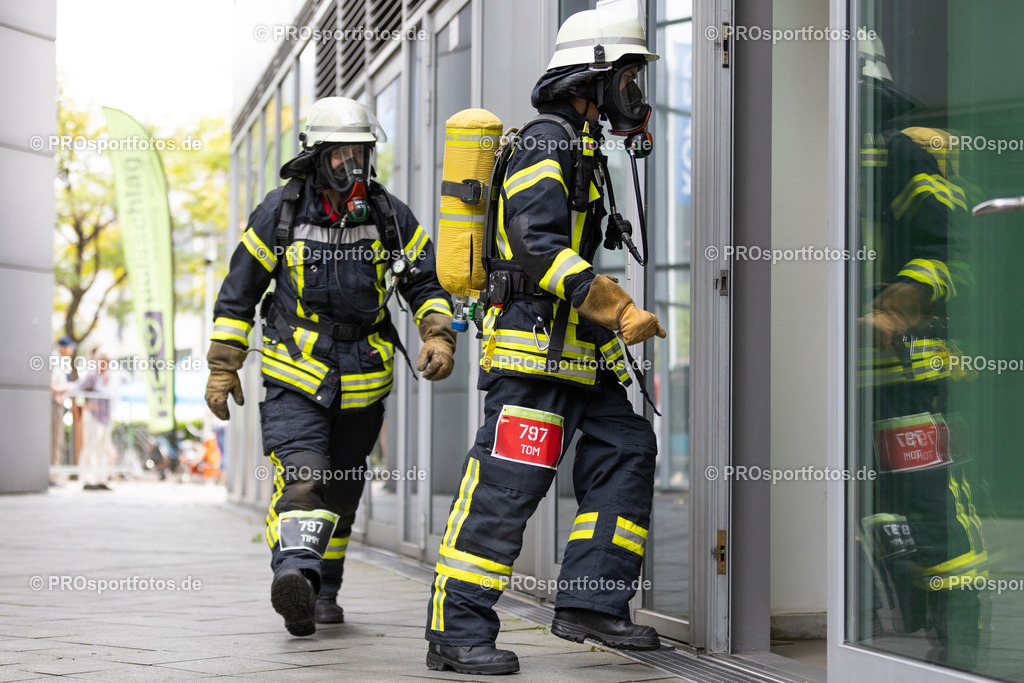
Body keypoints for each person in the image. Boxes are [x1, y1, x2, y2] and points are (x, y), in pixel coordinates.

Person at [424, 9, 665, 675]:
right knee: (506, 488)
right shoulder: (544, 142)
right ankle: (456, 628)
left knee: (627, 445)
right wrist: (618, 309)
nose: (635, 91)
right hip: (532, 356)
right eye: (628, 76)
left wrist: (607, 331)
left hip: (579, 354)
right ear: (593, 76)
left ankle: (590, 600)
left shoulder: (583, 148)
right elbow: (538, 246)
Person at [205, 97, 456, 637]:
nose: (352, 164)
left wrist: (437, 332)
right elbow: (237, 295)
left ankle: (323, 590)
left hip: (364, 381)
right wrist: (223, 367)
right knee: (306, 480)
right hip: (296, 376)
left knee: (341, 491)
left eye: (360, 151)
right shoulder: (280, 212)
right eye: (340, 153)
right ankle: (294, 574)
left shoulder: (389, 214)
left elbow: (424, 282)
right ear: (316, 157)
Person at [855, 36, 986, 668]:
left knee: (931, 503)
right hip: (847, 376)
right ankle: (907, 614)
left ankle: (963, 640)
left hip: (902, 370)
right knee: (872, 504)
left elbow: (949, 251)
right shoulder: (826, 158)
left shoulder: (900, 151)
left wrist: (895, 308)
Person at [74, 350, 118, 490]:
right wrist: (86, 403)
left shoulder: (109, 377)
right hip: (93, 417)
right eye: (105, 360)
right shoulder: (92, 375)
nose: (107, 363)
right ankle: (88, 479)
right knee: (91, 448)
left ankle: (101, 479)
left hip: (106, 418)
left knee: (103, 448)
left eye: (109, 361)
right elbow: (78, 388)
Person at [49, 336, 77, 467]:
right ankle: (51, 473)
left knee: (57, 439)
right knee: (54, 439)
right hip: (53, 404)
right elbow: (51, 384)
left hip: (57, 403)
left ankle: (53, 472)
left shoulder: (61, 361)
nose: (71, 350)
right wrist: (66, 388)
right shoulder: (54, 359)